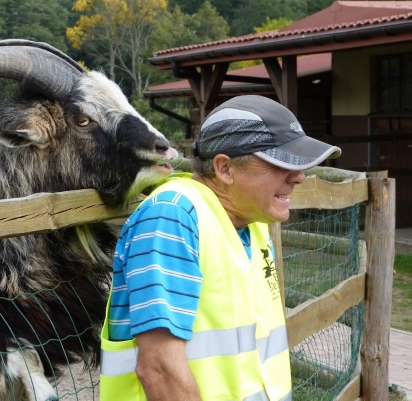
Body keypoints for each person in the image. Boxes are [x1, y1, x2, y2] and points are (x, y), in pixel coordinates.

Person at [99, 95, 341, 401]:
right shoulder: (172, 216)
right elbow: (160, 368)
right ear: (225, 169)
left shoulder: (252, 223)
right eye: (281, 163)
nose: (299, 177)